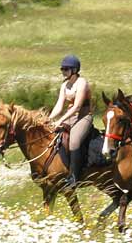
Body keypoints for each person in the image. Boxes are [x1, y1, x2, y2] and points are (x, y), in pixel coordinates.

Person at [47, 54, 93, 189]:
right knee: (54, 135)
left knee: (74, 141)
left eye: (66, 69)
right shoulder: (64, 86)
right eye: (62, 69)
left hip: (84, 116)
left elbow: (78, 106)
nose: (63, 72)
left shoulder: (82, 83)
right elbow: (59, 106)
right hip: (70, 116)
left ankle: (74, 176)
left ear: (74, 70)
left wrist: (60, 120)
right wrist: (49, 119)